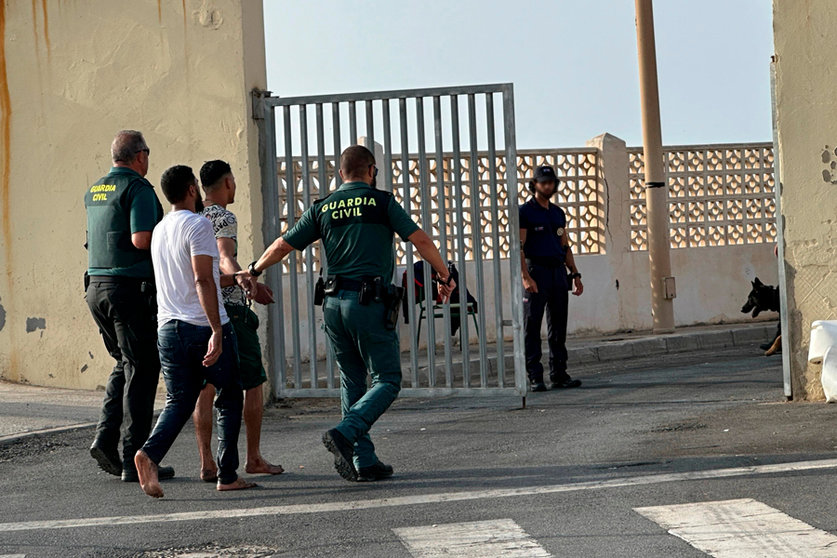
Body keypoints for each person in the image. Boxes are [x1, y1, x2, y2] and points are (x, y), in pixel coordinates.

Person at [245, 145, 455, 482]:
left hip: (333, 305)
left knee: (352, 378)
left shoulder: (324, 207)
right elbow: (421, 241)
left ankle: (364, 460)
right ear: (371, 171)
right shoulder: (382, 202)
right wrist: (446, 276)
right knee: (387, 379)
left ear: (341, 173)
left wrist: (253, 270)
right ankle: (346, 432)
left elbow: (283, 245)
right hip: (369, 304)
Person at [133, 165, 256, 498]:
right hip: (200, 326)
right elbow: (203, 278)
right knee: (229, 395)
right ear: (191, 190)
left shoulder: (159, 230)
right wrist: (216, 328)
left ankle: (149, 454)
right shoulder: (199, 224)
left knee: (180, 400)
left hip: (168, 327)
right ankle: (227, 474)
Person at [84, 130, 175, 483]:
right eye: (148, 154)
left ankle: (105, 440)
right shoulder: (138, 188)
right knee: (143, 368)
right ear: (140, 156)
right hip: (128, 289)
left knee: (125, 362)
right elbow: (141, 239)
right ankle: (134, 457)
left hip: (97, 286)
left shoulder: (96, 189)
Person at [192, 159, 283, 482]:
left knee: (205, 385)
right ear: (227, 183)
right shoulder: (221, 217)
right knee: (253, 381)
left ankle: (206, 462)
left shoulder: (187, 218)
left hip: (197, 312)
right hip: (229, 310)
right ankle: (254, 458)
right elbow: (225, 255)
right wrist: (245, 281)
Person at [519, 165, 585, 392]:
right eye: (543, 182)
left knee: (558, 326)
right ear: (534, 185)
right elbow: (518, 247)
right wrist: (525, 277)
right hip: (536, 272)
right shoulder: (525, 212)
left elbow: (564, 244)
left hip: (557, 273)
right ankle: (535, 376)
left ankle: (559, 373)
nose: (547, 185)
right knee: (532, 326)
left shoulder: (557, 213)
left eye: (550, 182)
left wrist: (574, 274)